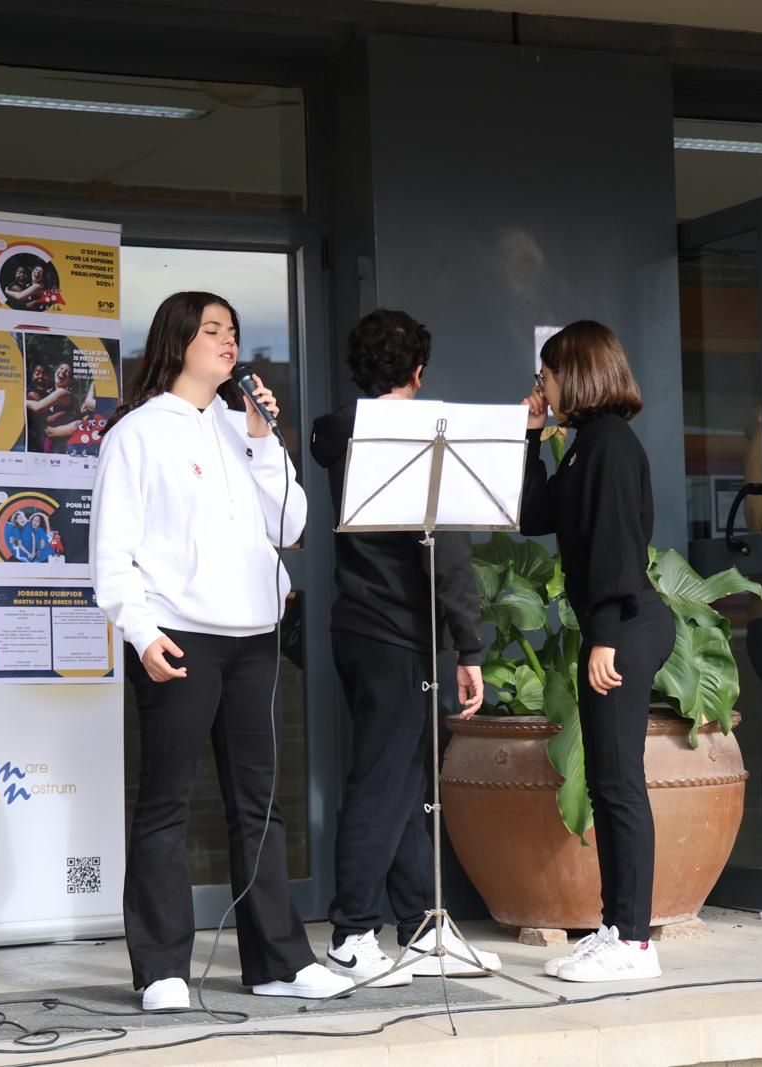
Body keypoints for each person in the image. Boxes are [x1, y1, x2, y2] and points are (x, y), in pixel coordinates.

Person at [92, 290, 348, 1012]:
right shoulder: (137, 434)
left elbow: (293, 522)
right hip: (178, 636)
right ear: (177, 341)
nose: (228, 342)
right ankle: (162, 968)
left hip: (254, 641)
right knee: (167, 802)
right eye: (212, 330)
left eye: (234, 331)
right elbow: (111, 554)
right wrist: (141, 633)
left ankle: (276, 961)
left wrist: (267, 439)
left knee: (259, 805)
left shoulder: (245, 428)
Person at [310, 309, 496, 988]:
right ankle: (354, 933)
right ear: (419, 371)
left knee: (407, 780)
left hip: (357, 628)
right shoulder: (426, 438)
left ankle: (420, 922)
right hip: (398, 635)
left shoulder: (346, 433)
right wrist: (469, 646)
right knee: (387, 783)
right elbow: (446, 556)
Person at [519, 320, 674, 982]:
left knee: (617, 782)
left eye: (547, 374)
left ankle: (635, 941)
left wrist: (605, 634)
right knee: (611, 780)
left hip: (627, 623)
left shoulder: (609, 444)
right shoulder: (584, 445)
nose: (540, 385)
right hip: (618, 622)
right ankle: (616, 926)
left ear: (575, 374)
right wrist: (531, 438)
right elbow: (533, 516)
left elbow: (615, 544)